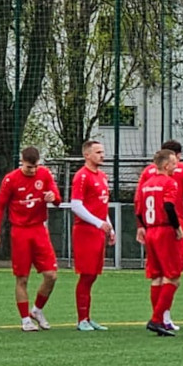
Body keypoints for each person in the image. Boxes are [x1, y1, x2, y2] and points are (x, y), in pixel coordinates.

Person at [0, 146, 62, 332]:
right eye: (29, 167)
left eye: (35, 166)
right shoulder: (10, 179)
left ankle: (36, 310)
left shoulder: (44, 174)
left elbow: (58, 199)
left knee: (51, 275)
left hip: (39, 230)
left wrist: (53, 197)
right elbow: (0, 207)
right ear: (21, 162)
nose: (33, 170)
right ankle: (25, 320)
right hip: (20, 232)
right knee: (22, 278)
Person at [136, 140, 183, 330]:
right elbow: (168, 206)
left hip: (150, 231)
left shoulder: (147, 184)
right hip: (166, 231)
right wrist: (177, 228)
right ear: (166, 165)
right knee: (173, 276)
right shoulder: (170, 182)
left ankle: (159, 319)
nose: (177, 166)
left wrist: (141, 227)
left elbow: (139, 210)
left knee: (157, 276)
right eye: (174, 163)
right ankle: (157, 319)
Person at [70, 140, 116, 331]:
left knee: (93, 276)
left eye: (103, 152)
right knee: (86, 274)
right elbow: (76, 205)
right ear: (87, 155)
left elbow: (101, 206)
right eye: (97, 152)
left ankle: (87, 317)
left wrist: (110, 228)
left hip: (98, 232)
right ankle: (82, 319)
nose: (102, 155)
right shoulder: (82, 176)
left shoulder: (103, 176)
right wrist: (98, 223)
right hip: (85, 231)